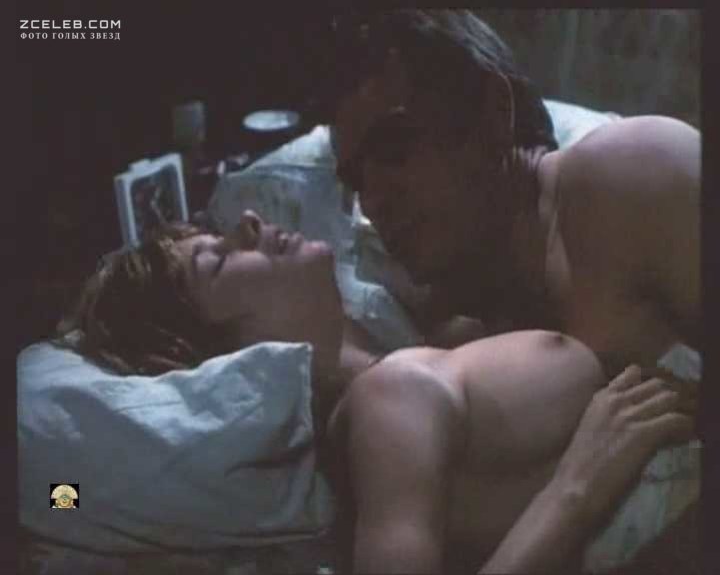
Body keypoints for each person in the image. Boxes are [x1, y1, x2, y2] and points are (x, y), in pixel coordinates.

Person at [57, 213, 697, 573]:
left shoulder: (409, 358)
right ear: (222, 356)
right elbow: (69, 494)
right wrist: (579, 487)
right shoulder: (385, 404)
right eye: (219, 260)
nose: (247, 222)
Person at [328, 10, 700, 378]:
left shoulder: (632, 177)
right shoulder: (465, 336)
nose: (373, 201)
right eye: (356, 180)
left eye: (395, 147)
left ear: (494, 113)